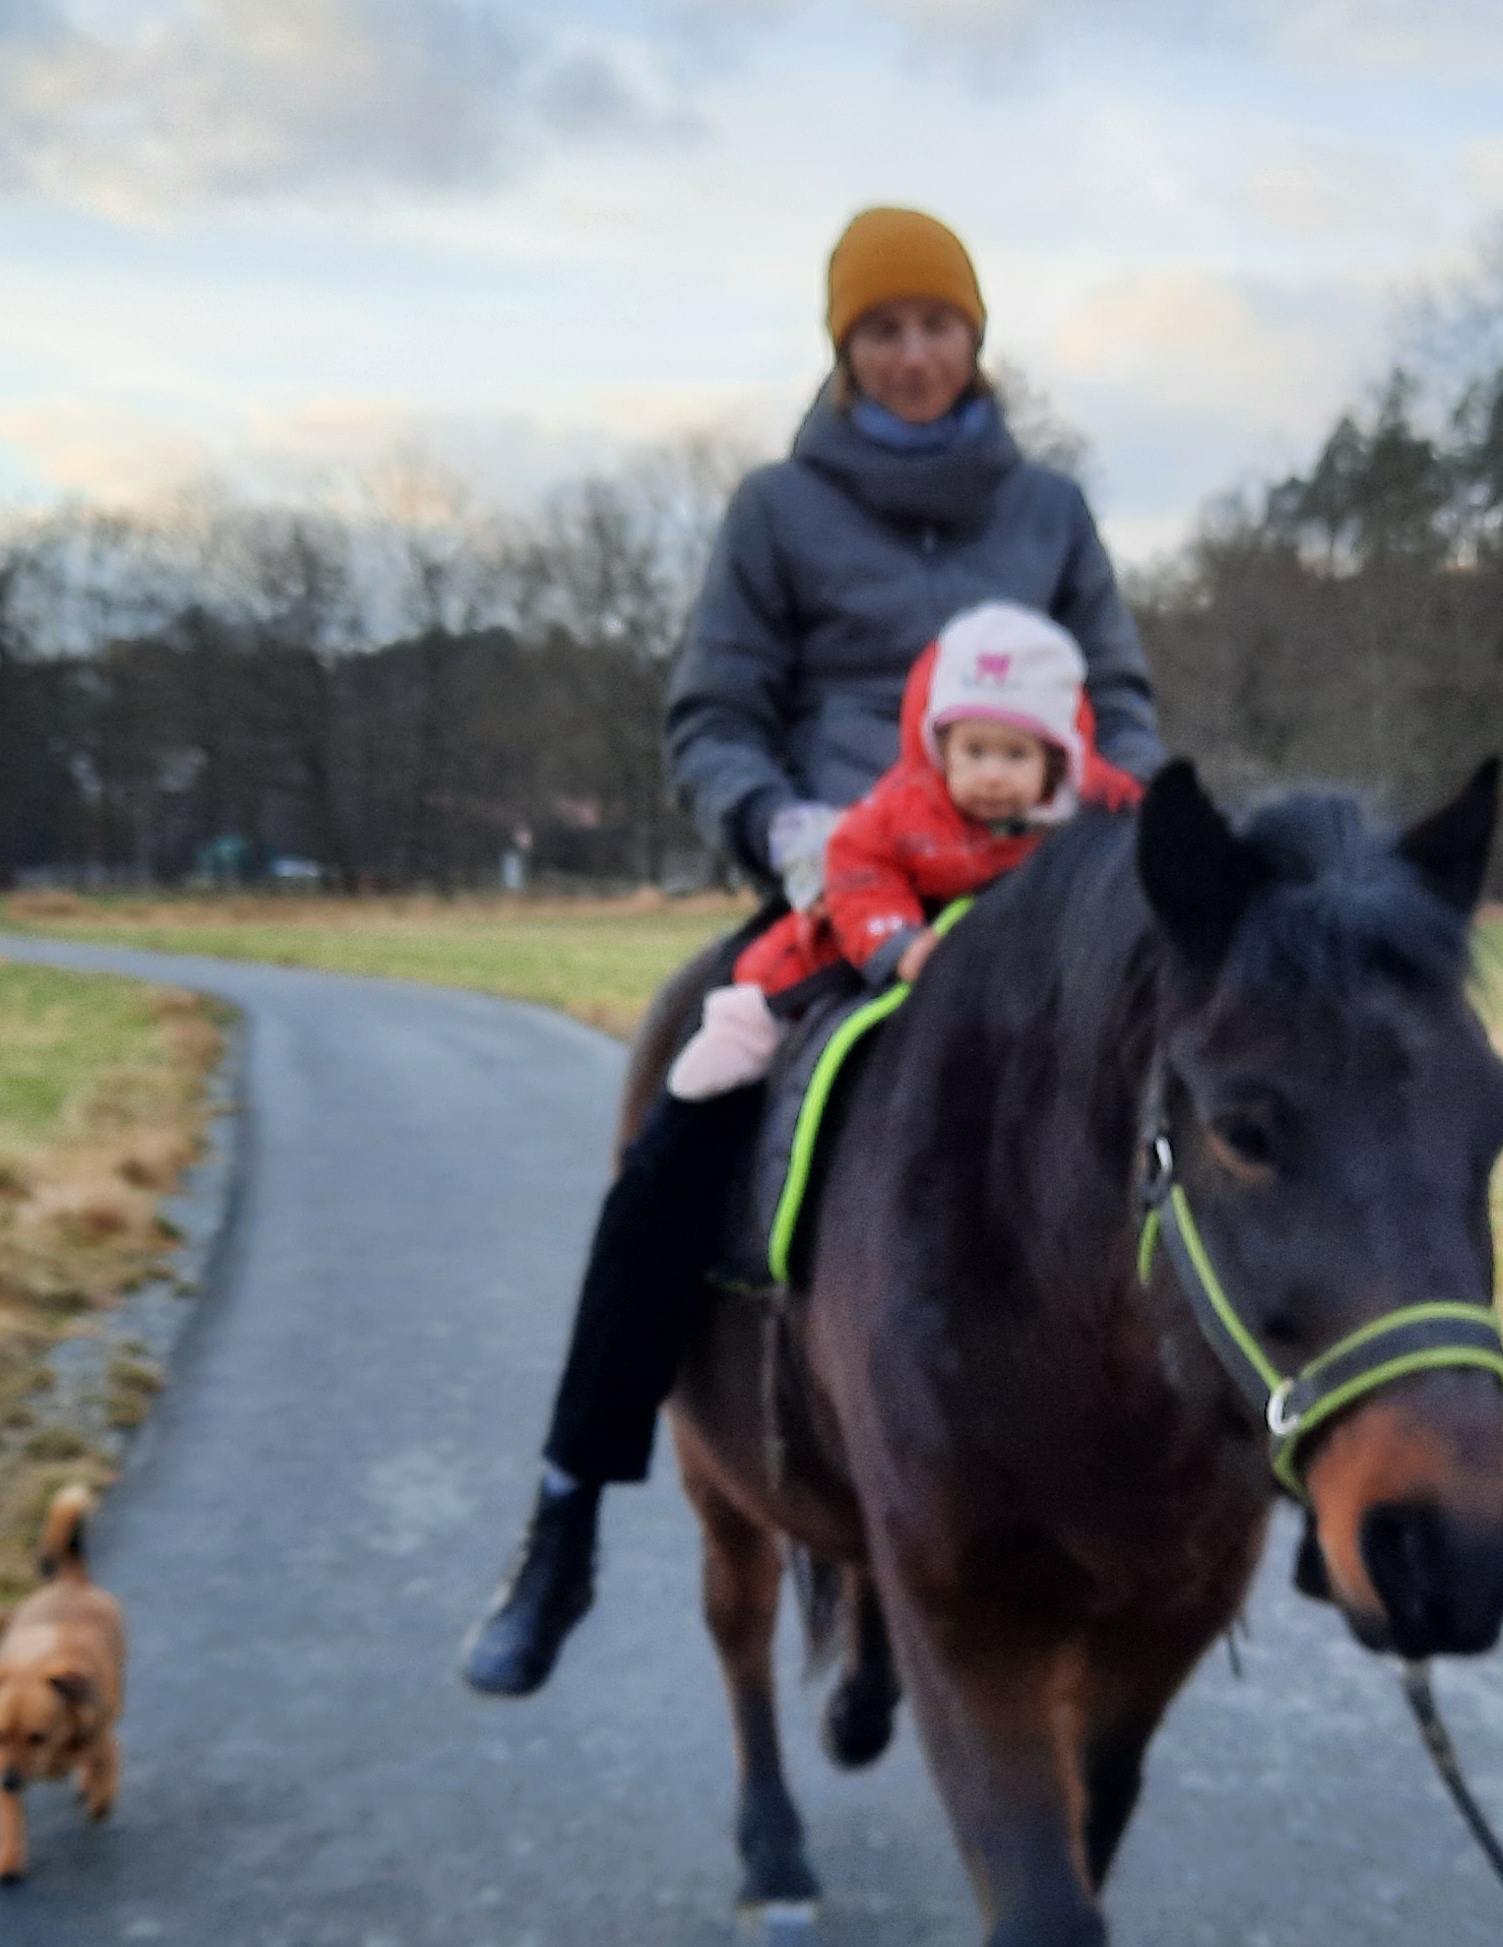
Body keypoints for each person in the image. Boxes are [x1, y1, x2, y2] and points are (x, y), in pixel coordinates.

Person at [463, 209, 1166, 1697]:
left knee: (1214, 1122)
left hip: (1043, 894)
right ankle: (566, 1514)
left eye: (938, 325)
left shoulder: (1053, 510)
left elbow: (1125, 704)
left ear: (978, 340)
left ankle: (1256, 1481)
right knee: (679, 1130)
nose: (914, 353)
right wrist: (779, 822)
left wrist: (1116, 848)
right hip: (840, 884)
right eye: (882, 330)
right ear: (845, 350)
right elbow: (710, 713)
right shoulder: (774, 509)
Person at [665, 601, 1142, 1099]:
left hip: (1028, 940)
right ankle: (748, 1028)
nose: (993, 774)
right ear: (942, 749)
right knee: (807, 956)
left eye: (1016, 754)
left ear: (1056, 761)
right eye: (974, 752)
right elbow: (857, 864)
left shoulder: (1087, 810)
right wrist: (896, 941)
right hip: (903, 918)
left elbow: (1134, 821)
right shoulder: (902, 813)